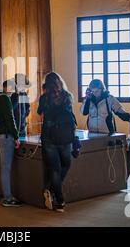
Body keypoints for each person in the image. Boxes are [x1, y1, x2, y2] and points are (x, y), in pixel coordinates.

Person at [37, 72, 76, 213]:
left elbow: (40, 113)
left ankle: (59, 201)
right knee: (66, 164)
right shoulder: (67, 96)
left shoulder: (44, 98)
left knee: (54, 169)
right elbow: (70, 115)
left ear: (46, 84)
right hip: (65, 136)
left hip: (48, 136)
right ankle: (52, 192)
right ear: (60, 82)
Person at [0, 83, 22, 207]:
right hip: (5, 137)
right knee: (5, 168)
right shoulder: (5, 99)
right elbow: (10, 119)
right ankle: (7, 198)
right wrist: (16, 136)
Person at [11, 74, 31, 142]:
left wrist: (25, 115)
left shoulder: (24, 93)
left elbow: (27, 106)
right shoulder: (12, 94)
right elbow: (11, 108)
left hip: (22, 127)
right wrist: (17, 95)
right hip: (13, 127)